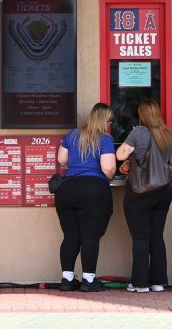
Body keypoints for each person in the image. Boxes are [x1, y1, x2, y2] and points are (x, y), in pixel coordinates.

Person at [115, 100, 172, 293]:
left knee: (140, 238)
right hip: (163, 192)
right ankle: (158, 282)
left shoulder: (138, 132)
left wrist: (133, 148)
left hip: (140, 192)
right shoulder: (169, 135)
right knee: (157, 237)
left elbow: (120, 155)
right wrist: (161, 167)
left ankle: (140, 283)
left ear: (142, 115)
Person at [55, 103, 116, 292]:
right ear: (104, 120)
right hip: (93, 190)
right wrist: (112, 174)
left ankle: (67, 279)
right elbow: (107, 168)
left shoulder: (73, 134)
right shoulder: (105, 139)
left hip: (67, 190)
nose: (110, 124)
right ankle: (89, 280)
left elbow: (61, 160)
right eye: (109, 120)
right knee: (90, 236)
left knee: (71, 236)